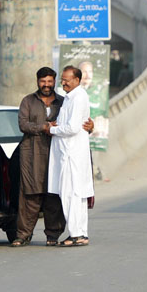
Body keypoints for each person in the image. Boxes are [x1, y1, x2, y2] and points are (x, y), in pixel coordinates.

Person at [14, 68, 67, 247]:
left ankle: (53, 235)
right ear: (37, 81)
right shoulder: (28, 101)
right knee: (30, 195)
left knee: (53, 194)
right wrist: (44, 127)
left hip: (56, 153)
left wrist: (88, 126)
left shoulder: (63, 102)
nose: (46, 85)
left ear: (54, 81)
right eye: (43, 81)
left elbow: (74, 122)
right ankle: (23, 235)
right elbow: (23, 124)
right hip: (31, 155)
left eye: (49, 81)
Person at [46, 66, 94, 247]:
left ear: (77, 80)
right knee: (75, 194)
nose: (63, 83)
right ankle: (80, 233)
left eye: (67, 79)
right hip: (70, 153)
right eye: (62, 79)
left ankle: (76, 234)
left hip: (71, 155)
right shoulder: (70, 97)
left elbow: (73, 128)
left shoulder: (78, 97)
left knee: (71, 194)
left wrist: (52, 129)